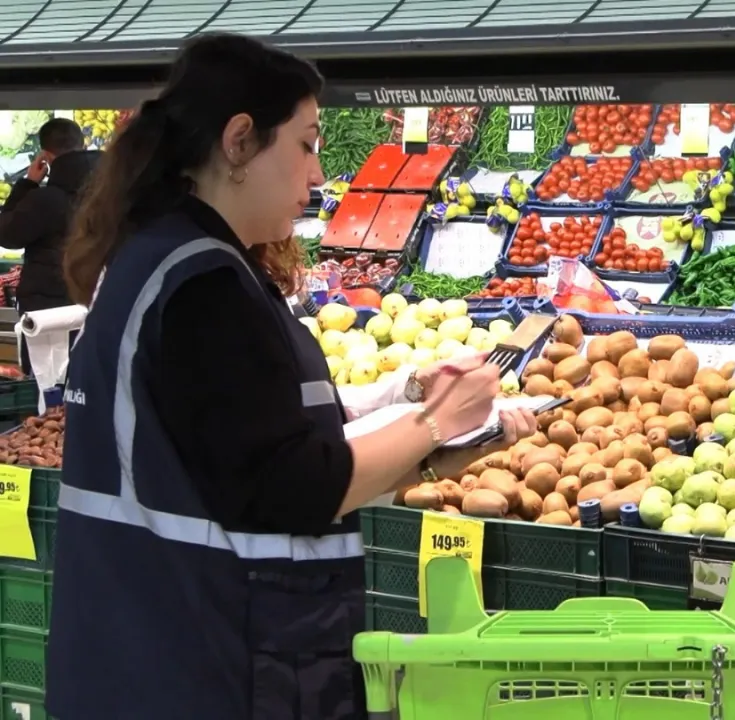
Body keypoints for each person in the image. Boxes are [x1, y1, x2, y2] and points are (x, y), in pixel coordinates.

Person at [46, 34, 535, 720]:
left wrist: (426, 428)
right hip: (201, 660)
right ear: (240, 141)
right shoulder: (202, 287)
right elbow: (295, 486)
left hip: (157, 651)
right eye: (306, 145)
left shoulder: (178, 261)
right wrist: (433, 424)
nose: (317, 174)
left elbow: (263, 440)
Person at [0, 118, 100, 372]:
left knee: (45, 389)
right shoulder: (109, 193)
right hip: (96, 303)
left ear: (45, 156)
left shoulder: (43, 199)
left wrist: (27, 183)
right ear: (83, 144)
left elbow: (7, 234)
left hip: (46, 314)